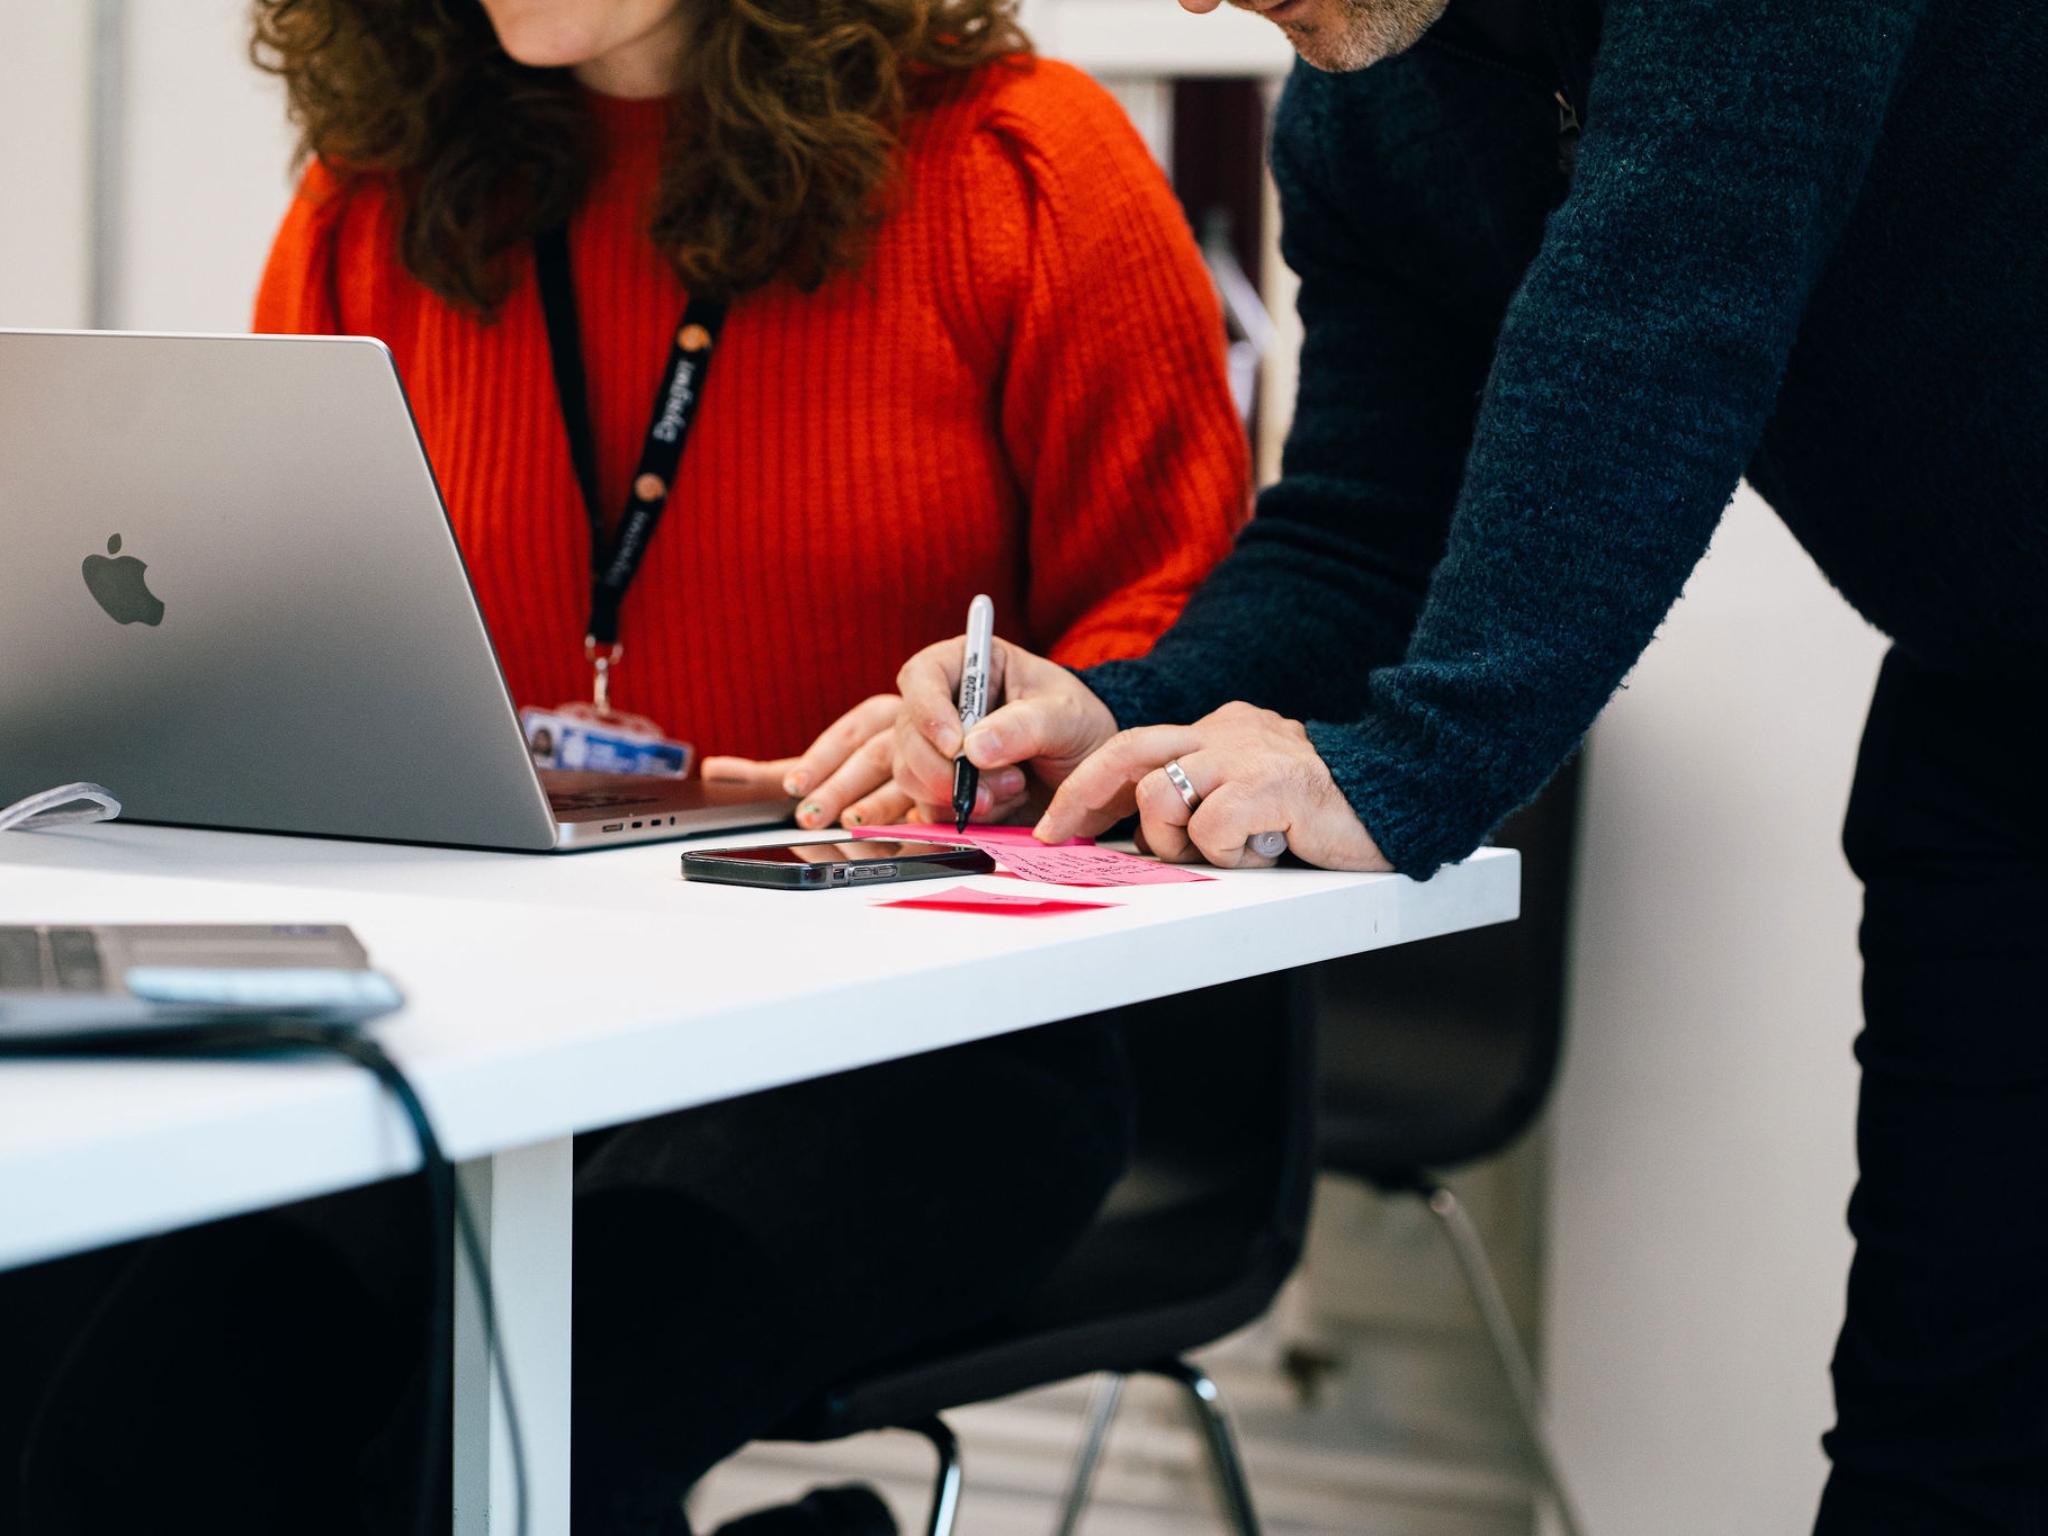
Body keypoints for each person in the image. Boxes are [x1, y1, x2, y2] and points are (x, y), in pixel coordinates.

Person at [0, 3, 1248, 1533]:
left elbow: (1192, 640)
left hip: (914, 1051)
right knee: (105, 1414)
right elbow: (261, 634)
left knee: (500, 1455)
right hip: (497, 1026)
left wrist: (1017, 729)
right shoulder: (376, 194)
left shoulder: (1021, 163)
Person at [893, 0, 2048, 1528]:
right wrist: (1122, 721)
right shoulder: (1369, 107)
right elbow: (1366, 523)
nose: (1193, 1)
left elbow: (1660, 319)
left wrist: (1419, 760)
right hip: (1994, 702)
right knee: (1939, 1448)